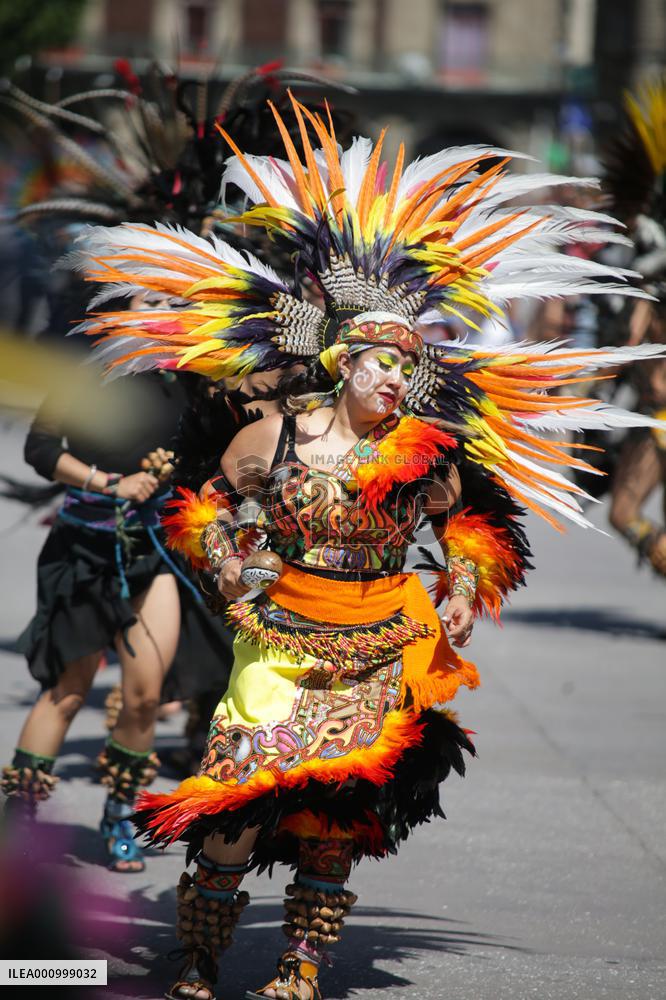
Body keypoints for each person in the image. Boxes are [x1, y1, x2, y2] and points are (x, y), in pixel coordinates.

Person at [70, 97, 664, 999]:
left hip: (379, 637)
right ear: (345, 362)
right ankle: (196, 956)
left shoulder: (422, 451)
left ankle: (302, 966)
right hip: (278, 636)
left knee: (333, 816)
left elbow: (472, 525)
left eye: (406, 366)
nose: (395, 378)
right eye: (382, 365)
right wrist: (232, 558)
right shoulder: (273, 439)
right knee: (231, 809)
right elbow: (210, 506)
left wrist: (466, 581)